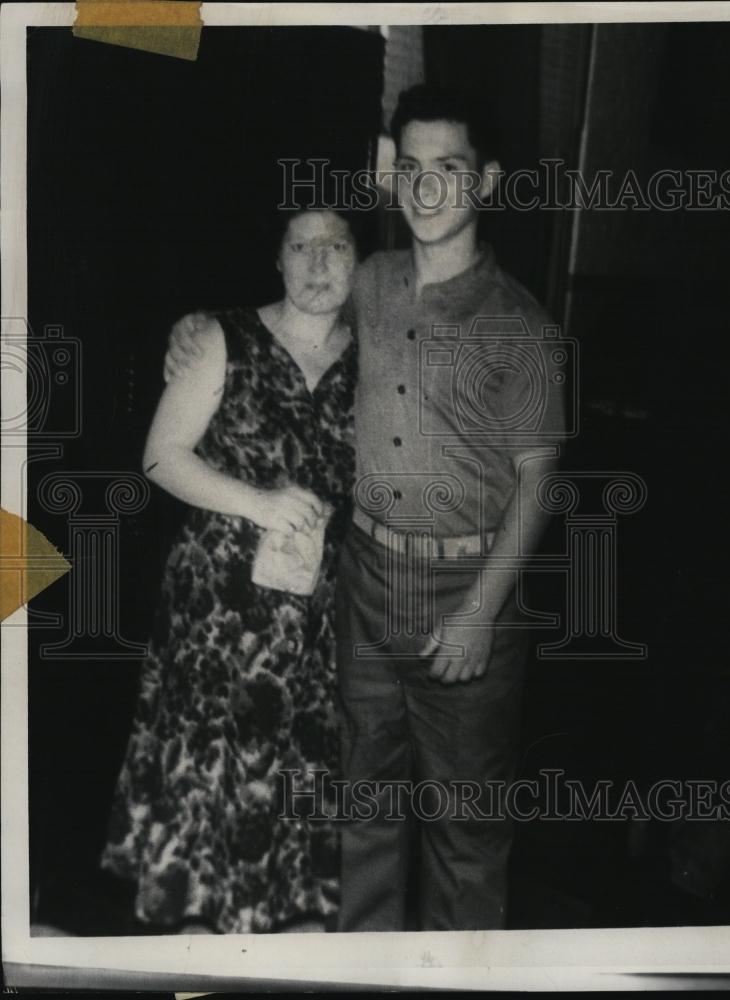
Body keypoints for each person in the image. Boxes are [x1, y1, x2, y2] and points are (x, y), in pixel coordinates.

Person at [166, 85, 565, 932]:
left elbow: (539, 483)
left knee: (464, 833)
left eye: (448, 170)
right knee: (362, 817)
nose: (425, 190)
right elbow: (288, 313)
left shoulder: (524, 327)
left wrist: (480, 615)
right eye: (410, 169)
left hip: (469, 592)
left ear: (486, 183)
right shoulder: (372, 281)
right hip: (364, 583)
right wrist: (198, 322)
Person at [101, 208, 358, 934]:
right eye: (300, 246)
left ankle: (277, 925)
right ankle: (197, 933)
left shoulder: (376, 362)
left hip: (315, 615)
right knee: (211, 765)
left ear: (357, 264)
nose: (317, 262)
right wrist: (259, 503)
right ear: (276, 260)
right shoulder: (221, 338)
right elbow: (160, 456)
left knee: (292, 770)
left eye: (335, 245)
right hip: (217, 610)